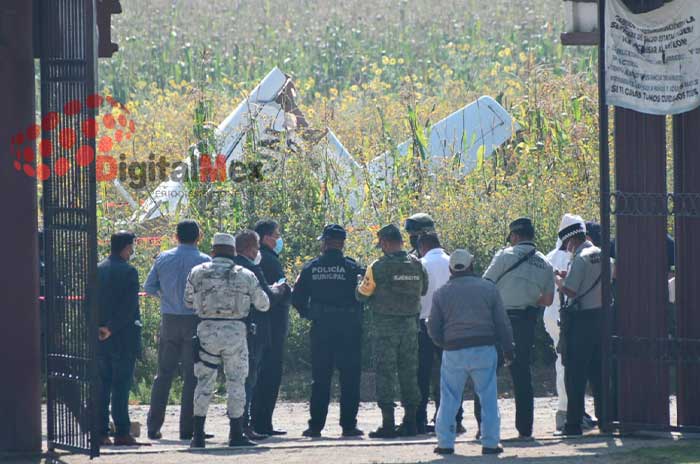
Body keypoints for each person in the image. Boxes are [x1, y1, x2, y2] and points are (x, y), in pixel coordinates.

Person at [185, 233, 270, 448]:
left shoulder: (197, 273)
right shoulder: (246, 274)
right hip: (236, 333)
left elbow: (187, 301)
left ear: (213, 251)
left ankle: (198, 435)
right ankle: (236, 433)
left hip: (206, 330)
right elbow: (263, 304)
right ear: (233, 252)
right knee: (236, 382)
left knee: (204, 382)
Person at [428, 249, 514, 456]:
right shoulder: (488, 289)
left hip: (453, 351)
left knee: (449, 398)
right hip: (484, 349)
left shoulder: (441, 293)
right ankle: (491, 443)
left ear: (451, 268)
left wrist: (443, 343)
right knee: (488, 397)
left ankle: (446, 443)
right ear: (471, 265)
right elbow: (502, 323)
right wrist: (508, 349)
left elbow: (433, 327)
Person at [483, 217, 554, 440]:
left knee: (486, 372)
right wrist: (530, 297)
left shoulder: (504, 255)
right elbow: (548, 300)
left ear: (514, 236)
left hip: (500, 321)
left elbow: (486, 284)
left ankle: (483, 426)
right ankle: (525, 429)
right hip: (525, 322)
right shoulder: (544, 263)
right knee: (522, 374)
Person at [292, 224, 365, 438]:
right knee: (350, 377)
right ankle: (349, 426)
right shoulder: (353, 268)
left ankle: (315, 426)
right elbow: (365, 293)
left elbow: (297, 299)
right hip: (349, 328)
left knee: (320, 377)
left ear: (325, 242)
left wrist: (311, 314)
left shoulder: (311, 268)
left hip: (322, 328)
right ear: (342, 243)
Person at [356, 224, 428, 438]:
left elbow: (362, 294)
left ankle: (388, 424)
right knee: (409, 372)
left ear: (386, 243)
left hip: (385, 329)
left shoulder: (377, 266)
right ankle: (411, 423)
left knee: (385, 373)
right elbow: (423, 289)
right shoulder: (417, 265)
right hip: (410, 328)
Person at [144, 220, 211, 440]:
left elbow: (149, 287)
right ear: (198, 236)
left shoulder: (163, 257)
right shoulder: (205, 261)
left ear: (176, 236)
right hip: (194, 320)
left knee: (163, 374)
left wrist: (166, 298)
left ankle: (153, 427)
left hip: (169, 320)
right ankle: (187, 428)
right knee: (191, 376)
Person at [232, 229, 289, 440]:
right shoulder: (251, 269)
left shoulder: (225, 267)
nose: (258, 252)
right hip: (253, 329)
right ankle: (245, 425)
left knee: (232, 379)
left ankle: (232, 427)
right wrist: (281, 289)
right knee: (249, 379)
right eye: (256, 247)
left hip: (225, 330)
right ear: (249, 247)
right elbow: (265, 300)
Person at [555, 221, 603, 437]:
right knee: (599, 374)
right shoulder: (602, 254)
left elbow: (571, 291)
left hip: (581, 321)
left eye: (566, 245)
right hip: (601, 318)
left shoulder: (580, 258)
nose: (567, 250)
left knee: (575, 375)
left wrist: (557, 280)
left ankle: (573, 425)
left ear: (572, 240)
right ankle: (606, 419)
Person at [415, 233, 464, 434]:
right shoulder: (452, 261)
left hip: (423, 323)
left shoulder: (420, 263)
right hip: (450, 325)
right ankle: (454, 418)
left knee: (421, 374)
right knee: (451, 373)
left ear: (422, 246)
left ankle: (419, 419)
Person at [97, 231, 143, 446]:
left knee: (102, 385)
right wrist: (112, 328)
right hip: (123, 337)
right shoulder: (129, 271)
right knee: (121, 386)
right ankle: (122, 432)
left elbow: (90, 302)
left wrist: (99, 328)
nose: (133, 250)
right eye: (132, 246)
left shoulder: (98, 269)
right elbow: (129, 307)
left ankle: (100, 432)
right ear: (126, 247)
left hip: (100, 337)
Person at [544, 214, 586, 431]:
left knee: (565, 362)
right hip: (565, 317)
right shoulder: (576, 256)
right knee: (566, 364)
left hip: (552, 316)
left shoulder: (550, 257)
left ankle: (572, 408)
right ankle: (565, 409)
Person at [251, 219, 291, 436]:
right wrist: (288, 290)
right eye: (276, 235)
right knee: (269, 375)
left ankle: (261, 422)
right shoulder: (268, 260)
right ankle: (262, 423)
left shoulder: (260, 259)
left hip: (264, 326)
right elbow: (276, 294)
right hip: (272, 327)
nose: (278, 239)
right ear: (266, 237)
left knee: (262, 374)